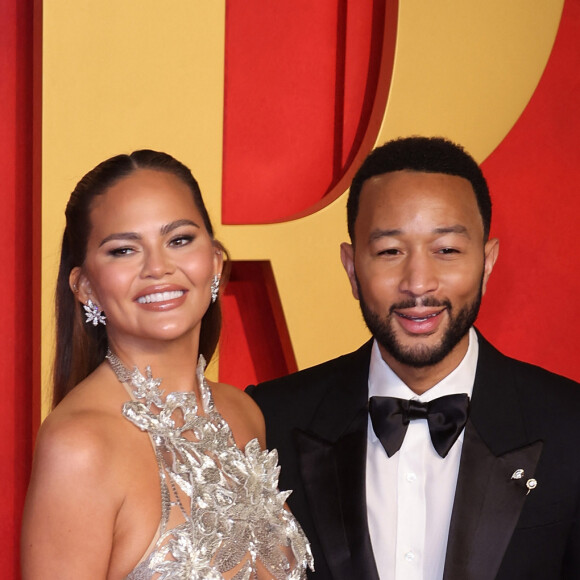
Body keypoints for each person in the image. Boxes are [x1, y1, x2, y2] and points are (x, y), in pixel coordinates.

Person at [248, 137, 580, 579]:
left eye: (446, 250)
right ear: (351, 268)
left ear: (487, 261)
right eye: (390, 252)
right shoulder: (270, 424)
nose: (419, 284)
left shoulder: (569, 426)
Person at [21, 150, 313, 579]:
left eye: (179, 240)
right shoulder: (79, 446)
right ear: (86, 288)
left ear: (215, 261)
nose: (158, 268)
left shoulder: (243, 413)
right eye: (124, 250)